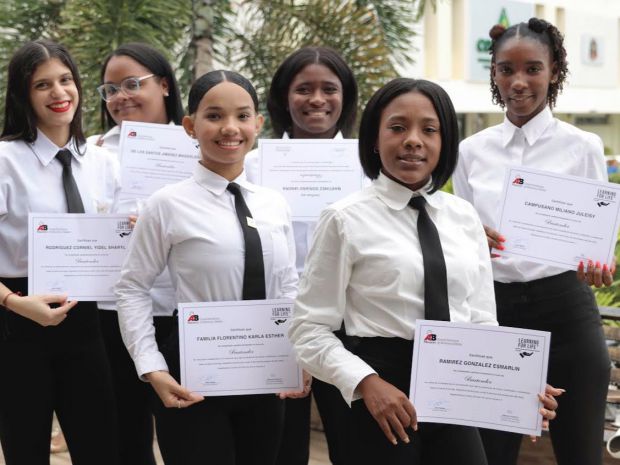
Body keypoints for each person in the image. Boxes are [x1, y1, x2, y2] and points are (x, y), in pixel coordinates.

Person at [289, 77, 558, 465]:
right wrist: (367, 385)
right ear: (374, 139)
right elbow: (307, 329)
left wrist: (516, 380)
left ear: (445, 140)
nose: (413, 140)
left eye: (429, 130)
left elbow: (481, 321)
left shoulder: (463, 216)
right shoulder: (344, 219)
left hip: (454, 384)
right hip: (380, 391)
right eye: (397, 127)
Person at [115, 70, 298, 465]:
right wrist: (152, 367)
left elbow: (288, 287)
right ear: (190, 126)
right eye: (214, 116)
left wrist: (300, 355)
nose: (230, 128)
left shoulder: (274, 203)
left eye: (243, 116)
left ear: (258, 124)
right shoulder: (166, 203)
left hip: (265, 371)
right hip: (192, 375)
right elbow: (131, 287)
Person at [452, 18, 611, 465]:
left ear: (555, 70)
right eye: (506, 69)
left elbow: (594, 238)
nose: (518, 82)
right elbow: (465, 237)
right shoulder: (470, 151)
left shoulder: (584, 147)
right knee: (491, 452)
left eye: (532, 69)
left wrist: (595, 263)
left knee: (580, 451)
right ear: (494, 74)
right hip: (494, 312)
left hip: (567, 308)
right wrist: (471, 241)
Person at [0, 39, 120, 465]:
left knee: (101, 446)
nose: (59, 93)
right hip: (19, 322)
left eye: (66, 80)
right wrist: (14, 303)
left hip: (87, 322)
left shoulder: (103, 163)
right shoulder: (5, 160)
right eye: (42, 85)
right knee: (26, 448)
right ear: (22, 95)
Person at [245, 45, 358, 465]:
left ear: (345, 97)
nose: (316, 99)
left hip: (353, 325)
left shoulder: (369, 165)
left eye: (329, 88)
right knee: (282, 447)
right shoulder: (251, 166)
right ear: (282, 97)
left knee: (355, 445)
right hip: (278, 325)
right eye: (303, 89)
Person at [90, 42, 184, 465]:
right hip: (115, 312)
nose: (120, 97)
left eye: (132, 84)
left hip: (188, 310)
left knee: (190, 434)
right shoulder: (91, 151)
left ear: (164, 84)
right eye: (110, 89)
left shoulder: (203, 144)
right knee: (123, 435)